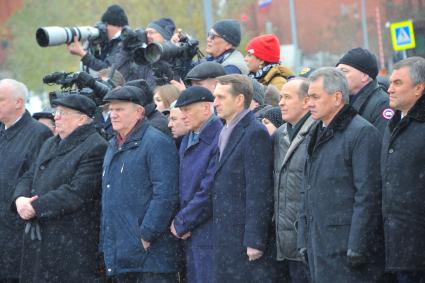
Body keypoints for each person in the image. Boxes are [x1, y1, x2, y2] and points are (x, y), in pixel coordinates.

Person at [298, 67, 384, 283]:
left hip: (345, 250)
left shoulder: (362, 133)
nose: (308, 103)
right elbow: (307, 189)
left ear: (337, 97)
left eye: (315, 97)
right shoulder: (316, 132)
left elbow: (368, 194)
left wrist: (357, 246)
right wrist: (303, 239)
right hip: (318, 245)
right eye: (308, 97)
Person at [13, 94, 108, 282]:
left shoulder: (95, 146)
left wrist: (35, 207)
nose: (55, 117)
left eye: (63, 113)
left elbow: (77, 192)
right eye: (56, 112)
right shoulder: (51, 142)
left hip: (71, 241)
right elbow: (30, 174)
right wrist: (20, 199)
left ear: (81, 119)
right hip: (41, 237)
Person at [101, 86, 181, 282]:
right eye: (111, 109)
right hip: (122, 256)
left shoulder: (157, 142)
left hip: (151, 258)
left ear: (139, 112)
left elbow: (166, 195)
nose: (113, 115)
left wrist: (146, 235)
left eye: (120, 109)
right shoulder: (113, 145)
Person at [211, 74, 276, 282]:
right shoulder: (225, 129)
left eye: (221, 97)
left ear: (239, 99)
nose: (215, 103)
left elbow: (259, 188)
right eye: (215, 97)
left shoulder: (254, 132)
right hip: (226, 232)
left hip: (242, 237)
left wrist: (254, 240)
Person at [0, 79, 52, 283]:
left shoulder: (39, 134)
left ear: (18, 102)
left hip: (16, 231)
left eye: (1, 99)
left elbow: (36, 180)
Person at [170, 86, 222, 283]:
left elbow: (209, 188)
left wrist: (184, 221)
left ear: (206, 108)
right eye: (181, 111)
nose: (183, 116)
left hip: (208, 231)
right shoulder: (188, 139)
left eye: (187, 110)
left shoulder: (219, 138)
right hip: (191, 232)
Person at [381, 56, 425, 283]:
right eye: (390, 83)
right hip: (396, 247)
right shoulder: (394, 124)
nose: (389, 89)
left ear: (419, 88)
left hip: (418, 250)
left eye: (398, 83)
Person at [274, 77, 314, 283]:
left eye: (287, 97)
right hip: (285, 243)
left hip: (308, 243)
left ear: (307, 101)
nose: (281, 102)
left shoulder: (318, 132)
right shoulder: (280, 134)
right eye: (280, 97)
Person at [336, 47, 390, 134]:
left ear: (364, 76)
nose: (338, 76)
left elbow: (379, 143)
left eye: (344, 71)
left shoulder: (383, 104)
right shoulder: (338, 100)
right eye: (337, 72)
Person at [66, 4, 128, 72]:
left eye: (105, 24)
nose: (104, 29)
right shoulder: (116, 42)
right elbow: (102, 64)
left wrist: (83, 54)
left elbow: (107, 70)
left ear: (114, 25)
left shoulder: (124, 43)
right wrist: (95, 49)